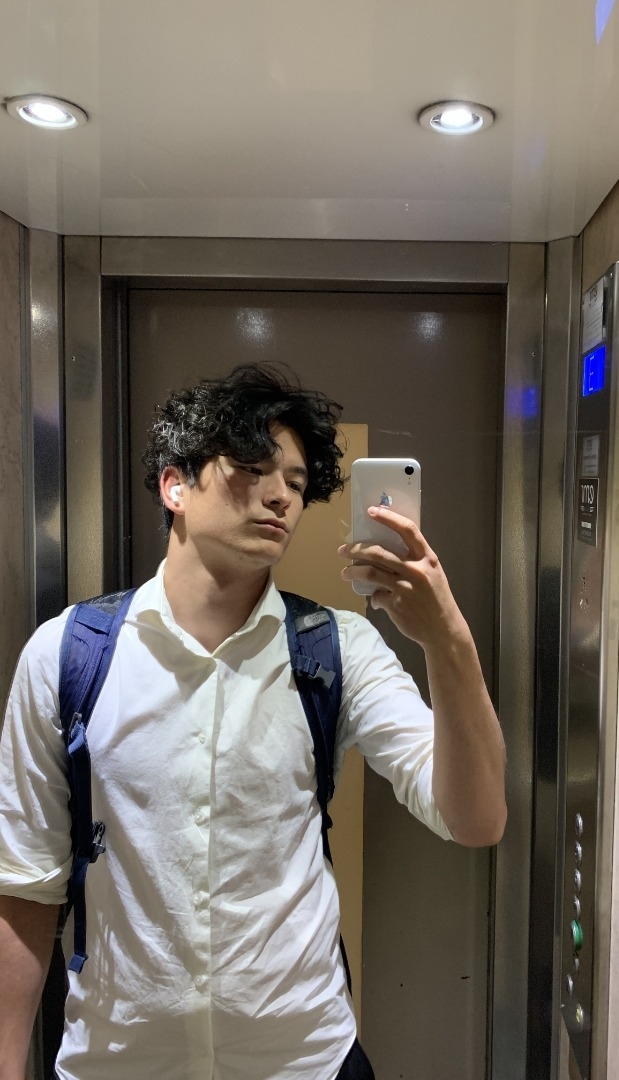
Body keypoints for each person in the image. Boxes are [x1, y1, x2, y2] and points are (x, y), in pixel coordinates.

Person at [0, 364, 507, 1080]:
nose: (280, 496)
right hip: (119, 1063)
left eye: (296, 483)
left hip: (303, 1062)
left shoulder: (336, 648)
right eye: (250, 468)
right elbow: (24, 882)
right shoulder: (68, 654)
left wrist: (446, 639)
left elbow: (476, 818)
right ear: (175, 486)